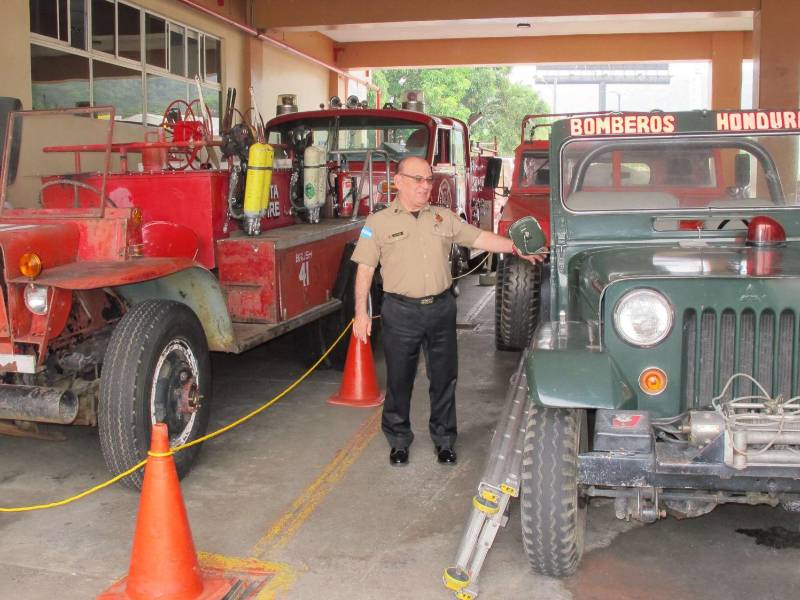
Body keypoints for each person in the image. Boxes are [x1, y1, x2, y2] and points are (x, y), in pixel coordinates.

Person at [351, 156, 544, 467]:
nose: (425, 186)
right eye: (418, 179)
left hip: (440, 309)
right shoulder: (379, 223)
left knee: (444, 378)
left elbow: (478, 237)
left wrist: (514, 247)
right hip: (400, 312)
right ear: (398, 181)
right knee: (399, 380)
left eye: (428, 180)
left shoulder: (443, 217)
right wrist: (361, 312)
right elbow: (365, 269)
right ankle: (398, 440)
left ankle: (444, 441)